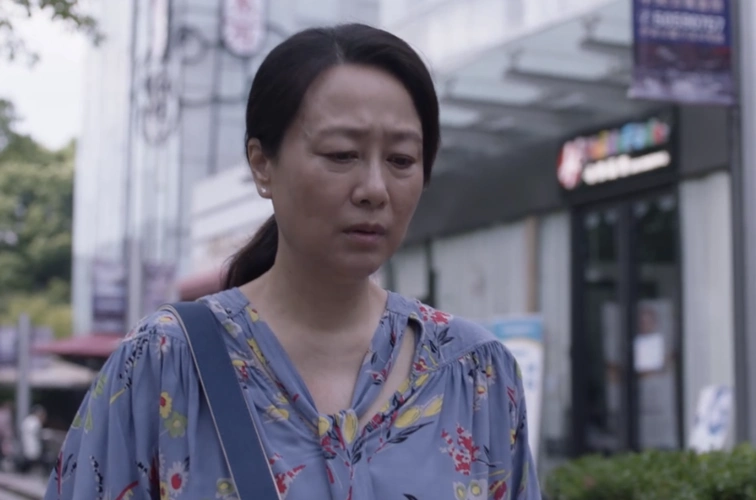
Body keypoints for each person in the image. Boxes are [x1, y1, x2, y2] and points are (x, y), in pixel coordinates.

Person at [45, 23, 541, 499]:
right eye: (342, 154)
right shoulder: (164, 363)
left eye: (401, 160)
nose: (374, 189)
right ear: (262, 164)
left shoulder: (476, 375)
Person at [20, 405, 46, 474]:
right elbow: (39, 434)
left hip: (26, 443)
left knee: (29, 459)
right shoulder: (36, 421)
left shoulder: (27, 420)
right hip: (34, 444)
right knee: (33, 459)